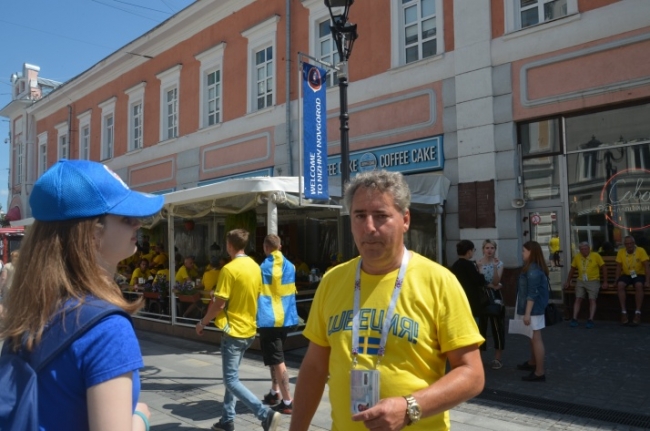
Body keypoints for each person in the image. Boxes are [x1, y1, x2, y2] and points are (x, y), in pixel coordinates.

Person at [289, 170, 484, 431]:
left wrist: (410, 407)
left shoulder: (439, 281)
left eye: (381, 215)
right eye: (360, 216)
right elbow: (314, 367)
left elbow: (472, 374)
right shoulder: (332, 281)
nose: (369, 227)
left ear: (405, 220)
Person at [0, 159, 164, 430]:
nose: (137, 224)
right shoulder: (107, 329)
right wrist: (140, 417)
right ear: (92, 233)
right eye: (126, 217)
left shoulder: (30, 312)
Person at [195, 229, 281, 431]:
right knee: (232, 377)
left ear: (229, 245)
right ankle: (227, 420)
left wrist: (202, 323)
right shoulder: (254, 266)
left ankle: (264, 414)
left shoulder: (229, 269)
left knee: (230, 380)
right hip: (250, 329)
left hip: (233, 330)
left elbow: (219, 304)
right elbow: (256, 295)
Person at [257, 234, 299, 414]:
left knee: (278, 360)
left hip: (269, 319)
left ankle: (288, 402)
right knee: (275, 359)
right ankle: (275, 393)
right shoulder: (291, 266)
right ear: (280, 246)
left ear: (266, 247)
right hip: (286, 318)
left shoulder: (262, 268)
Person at [515, 241, 549, 382]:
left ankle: (539, 372)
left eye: (524, 251)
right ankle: (533, 363)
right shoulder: (531, 268)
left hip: (533, 310)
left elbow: (532, 293)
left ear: (531, 252)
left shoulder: (533, 270)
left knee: (536, 337)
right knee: (532, 336)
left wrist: (527, 313)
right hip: (532, 308)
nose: (522, 253)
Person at [563, 242, 607, 328]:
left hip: (593, 280)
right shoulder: (577, 256)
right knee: (578, 298)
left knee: (592, 299)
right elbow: (572, 269)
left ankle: (590, 319)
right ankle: (574, 318)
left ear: (589, 248)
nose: (584, 251)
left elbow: (604, 267)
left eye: (585, 249)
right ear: (579, 250)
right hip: (581, 280)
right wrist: (568, 281)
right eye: (582, 249)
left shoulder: (596, 256)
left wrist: (605, 281)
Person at [477, 239, 506, 369]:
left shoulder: (499, 264)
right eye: (487, 248)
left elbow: (496, 282)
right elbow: (479, 282)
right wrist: (491, 285)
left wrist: (494, 267)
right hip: (482, 298)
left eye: (492, 248)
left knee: (497, 327)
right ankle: (479, 359)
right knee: (480, 328)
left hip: (495, 298)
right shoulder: (478, 264)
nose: (489, 250)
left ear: (495, 249)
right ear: (483, 249)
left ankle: (497, 358)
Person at [613, 235, 650, 325]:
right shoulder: (621, 252)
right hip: (626, 274)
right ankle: (623, 312)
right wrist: (616, 280)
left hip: (638, 274)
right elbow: (618, 267)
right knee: (620, 285)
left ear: (634, 243)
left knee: (638, 285)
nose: (629, 245)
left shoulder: (640, 250)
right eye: (627, 244)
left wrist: (648, 281)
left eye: (631, 243)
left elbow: (646, 266)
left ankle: (637, 312)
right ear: (624, 245)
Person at [450, 240, 486, 320]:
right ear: (469, 251)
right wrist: (480, 269)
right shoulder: (469, 265)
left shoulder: (455, 265)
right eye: (473, 250)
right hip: (471, 301)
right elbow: (480, 282)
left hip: (458, 300)